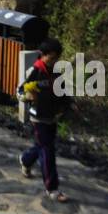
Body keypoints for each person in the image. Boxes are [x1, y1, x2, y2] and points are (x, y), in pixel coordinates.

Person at [18, 37, 70, 201]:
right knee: (47, 151)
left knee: (41, 146)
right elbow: (20, 90)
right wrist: (27, 96)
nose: (54, 61)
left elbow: (62, 90)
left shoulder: (56, 71)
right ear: (43, 55)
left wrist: (69, 103)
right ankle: (52, 188)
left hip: (52, 116)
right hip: (38, 116)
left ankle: (26, 159)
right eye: (52, 57)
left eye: (57, 58)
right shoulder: (35, 71)